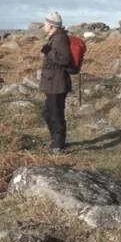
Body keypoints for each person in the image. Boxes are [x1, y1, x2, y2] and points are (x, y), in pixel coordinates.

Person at [39, 11, 72, 153]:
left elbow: (64, 59)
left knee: (55, 114)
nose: (43, 26)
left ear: (52, 25)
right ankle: (56, 142)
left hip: (57, 84)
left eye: (45, 23)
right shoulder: (54, 37)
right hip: (52, 83)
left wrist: (48, 52)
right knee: (48, 113)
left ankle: (58, 146)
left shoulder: (59, 38)